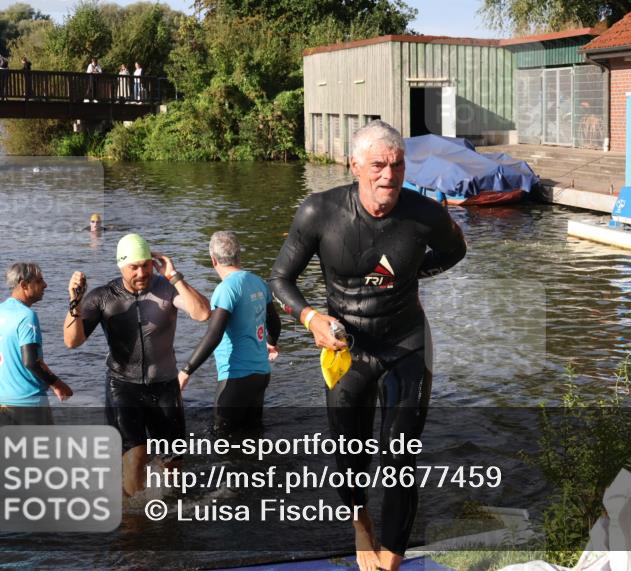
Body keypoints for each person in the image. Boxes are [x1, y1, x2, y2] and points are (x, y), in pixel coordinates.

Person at [269, 120, 467, 571]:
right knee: (347, 452)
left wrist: (413, 272)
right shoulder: (319, 213)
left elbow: (456, 252)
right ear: (354, 165)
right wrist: (310, 317)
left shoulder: (425, 215)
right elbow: (280, 279)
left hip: (405, 342)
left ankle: (391, 562)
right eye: (378, 164)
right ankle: (361, 526)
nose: (388, 176)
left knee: (400, 455)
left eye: (397, 165)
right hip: (346, 349)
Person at [64, 233, 211, 496]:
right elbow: (72, 342)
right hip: (123, 387)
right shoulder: (104, 297)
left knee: (173, 462)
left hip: (164, 385)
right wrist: (75, 302)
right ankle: (133, 526)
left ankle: (170, 518)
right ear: (121, 266)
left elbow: (202, 314)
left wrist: (174, 276)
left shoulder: (166, 288)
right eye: (134, 267)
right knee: (135, 457)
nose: (141, 272)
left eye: (145, 264)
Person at [178, 231, 281, 439]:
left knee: (223, 441)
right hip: (261, 374)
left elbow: (213, 335)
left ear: (213, 260)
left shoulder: (226, 289)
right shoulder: (258, 282)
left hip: (235, 378)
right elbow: (274, 322)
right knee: (253, 437)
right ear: (238, 256)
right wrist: (271, 342)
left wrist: (186, 371)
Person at [0, 263, 73, 425]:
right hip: (28, 403)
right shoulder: (27, 316)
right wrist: (58, 384)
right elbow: (31, 361)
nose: (45, 285)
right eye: (39, 281)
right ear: (24, 285)